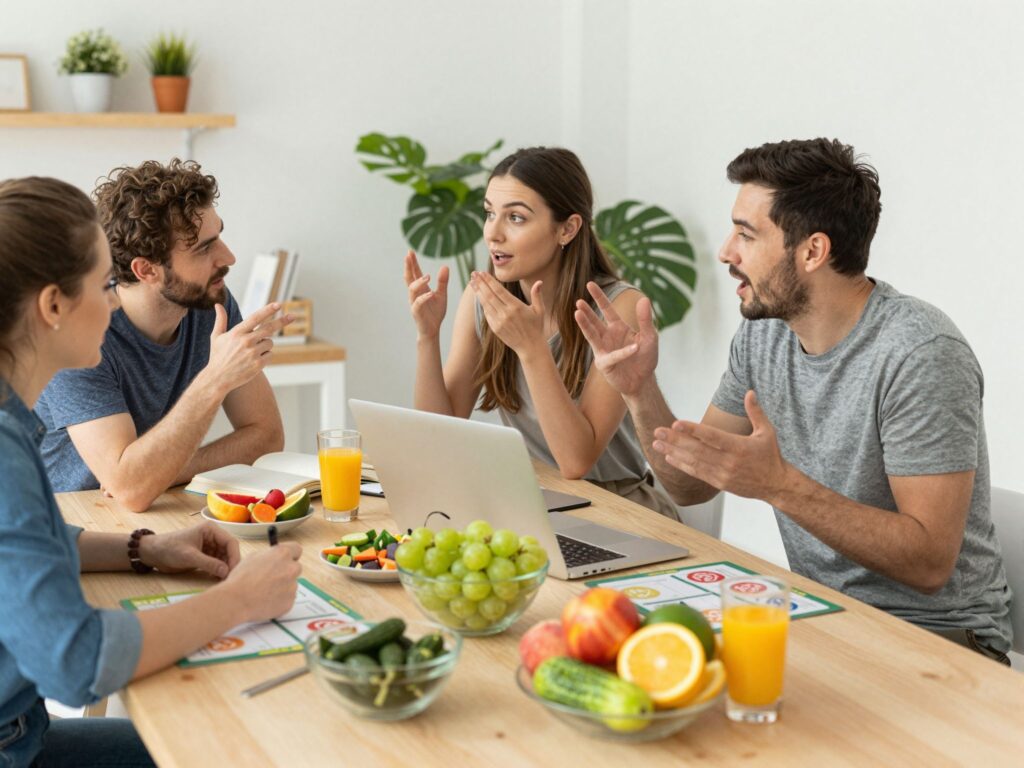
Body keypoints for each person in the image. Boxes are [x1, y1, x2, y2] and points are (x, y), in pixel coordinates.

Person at [575, 138, 1012, 661]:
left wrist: (779, 486)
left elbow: (928, 562)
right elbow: (689, 485)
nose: (725, 253)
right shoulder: (766, 336)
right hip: (822, 615)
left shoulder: (919, 352)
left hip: (939, 641)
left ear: (812, 251)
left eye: (746, 234)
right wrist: (638, 389)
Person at [0, 176, 303, 767]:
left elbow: (28, 541)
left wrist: (146, 548)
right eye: (100, 284)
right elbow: (79, 663)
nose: (112, 301)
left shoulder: (12, 423)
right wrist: (238, 601)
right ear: (54, 306)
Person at [404, 146, 677, 518]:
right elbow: (440, 434)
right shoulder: (484, 301)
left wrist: (532, 347)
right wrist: (427, 336)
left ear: (567, 228)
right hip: (536, 504)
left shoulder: (617, 309)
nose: (493, 234)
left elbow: (576, 462)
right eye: (489, 214)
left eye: (516, 217)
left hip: (619, 509)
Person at [35, 159, 291, 511]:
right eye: (204, 248)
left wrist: (159, 472)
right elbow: (130, 490)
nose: (228, 256)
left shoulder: (208, 301)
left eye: (219, 236)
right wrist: (215, 379)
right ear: (146, 270)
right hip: (71, 525)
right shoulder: (79, 332)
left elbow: (265, 435)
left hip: (154, 512)